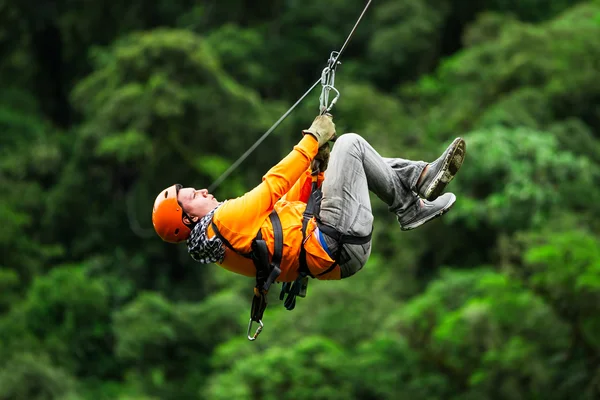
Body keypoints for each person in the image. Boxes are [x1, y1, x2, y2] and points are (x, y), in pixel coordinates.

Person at [152, 114, 466, 283]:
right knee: (350, 144)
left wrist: (313, 171)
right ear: (189, 218)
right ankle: (410, 206)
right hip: (336, 240)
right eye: (193, 196)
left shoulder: (221, 242)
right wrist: (312, 139)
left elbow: (285, 210)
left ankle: (422, 177)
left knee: (340, 159)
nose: (203, 191)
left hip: (333, 246)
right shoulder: (222, 223)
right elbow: (273, 185)